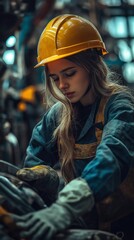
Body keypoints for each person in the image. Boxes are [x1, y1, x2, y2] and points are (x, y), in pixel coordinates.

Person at [8, 14, 134, 240]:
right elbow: (35, 161)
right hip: (83, 223)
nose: (62, 85)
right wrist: (45, 179)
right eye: (55, 78)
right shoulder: (58, 115)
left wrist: (66, 207)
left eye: (69, 73)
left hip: (125, 226)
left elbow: (111, 158)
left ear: (92, 65)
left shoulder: (119, 107)